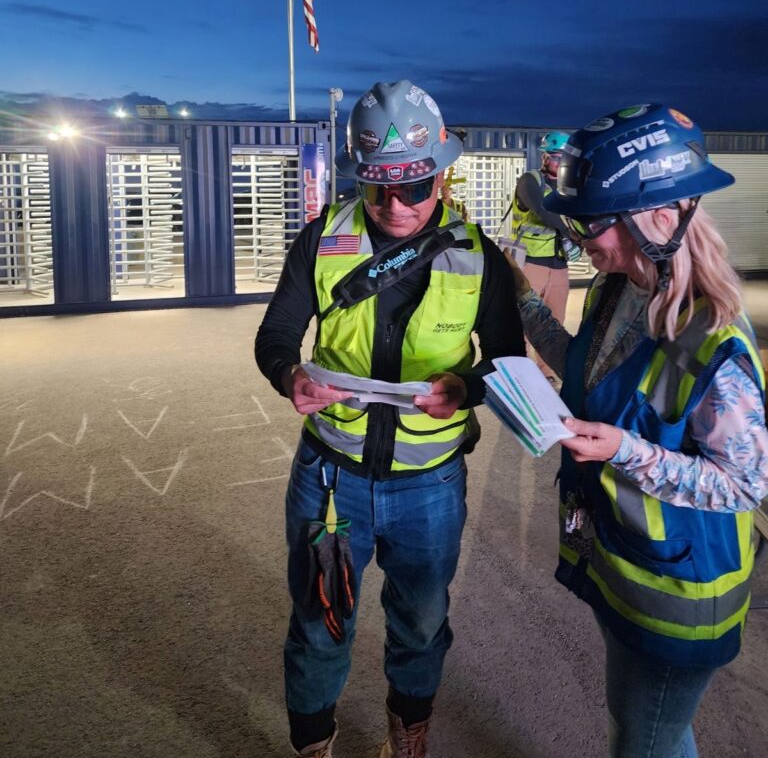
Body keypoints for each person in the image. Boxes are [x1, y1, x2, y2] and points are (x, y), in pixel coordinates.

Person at [255, 79, 525, 758]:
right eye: (379, 189)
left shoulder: (478, 255)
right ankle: (313, 745)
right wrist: (290, 375)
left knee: (421, 624)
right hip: (329, 479)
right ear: (360, 178)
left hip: (429, 484)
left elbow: (507, 360)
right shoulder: (322, 238)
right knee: (320, 622)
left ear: (440, 173)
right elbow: (277, 334)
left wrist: (463, 389)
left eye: (413, 188)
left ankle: (408, 740)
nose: (396, 206)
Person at [507, 104, 767, 758]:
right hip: (628, 565)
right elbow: (580, 363)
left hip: (681, 596)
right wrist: (519, 298)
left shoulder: (714, 342)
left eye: (596, 219)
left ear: (658, 219)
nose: (581, 236)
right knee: (653, 730)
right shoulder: (615, 289)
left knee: (643, 740)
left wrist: (627, 450)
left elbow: (744, 485)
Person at [510, 130, 582, 384]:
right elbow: (542, 211)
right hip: (531, 263)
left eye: (564, 158)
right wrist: (574, 231)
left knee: (554, 322)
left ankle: (547, 374)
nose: (560, 163)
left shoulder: (568, 187)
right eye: (555, 157)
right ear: (544, 157)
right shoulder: (530, 181)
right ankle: (518, 374)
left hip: (559, 264)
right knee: (522, 322)